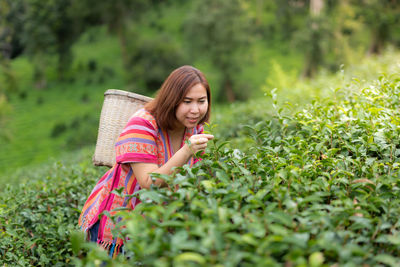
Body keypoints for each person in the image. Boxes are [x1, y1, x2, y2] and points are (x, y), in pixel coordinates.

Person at [78, 65, 214, 258]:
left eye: (202, 101)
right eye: (187, 102)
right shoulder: (143, 124)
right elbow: (150, 183)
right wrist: (187, 150)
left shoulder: (194, 128)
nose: (195, 110)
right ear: (172, 100)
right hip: (121, 224)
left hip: (158, 224)